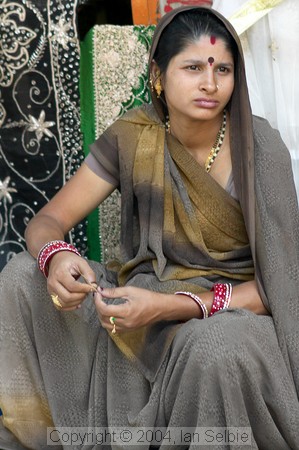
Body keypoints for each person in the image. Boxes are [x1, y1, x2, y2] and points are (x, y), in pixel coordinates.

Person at [0, 5, 299, 450]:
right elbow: (49, 220)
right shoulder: (134, 135)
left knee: (214, 348)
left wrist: (171, 306)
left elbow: (283, 284)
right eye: (194, 67)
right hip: (143, 294)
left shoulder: (260, 147)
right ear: (158, 75)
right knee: (22, 278)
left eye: (223, 69)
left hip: (231, 312)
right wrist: (55, 256)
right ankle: (36, 439)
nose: (210, 84)